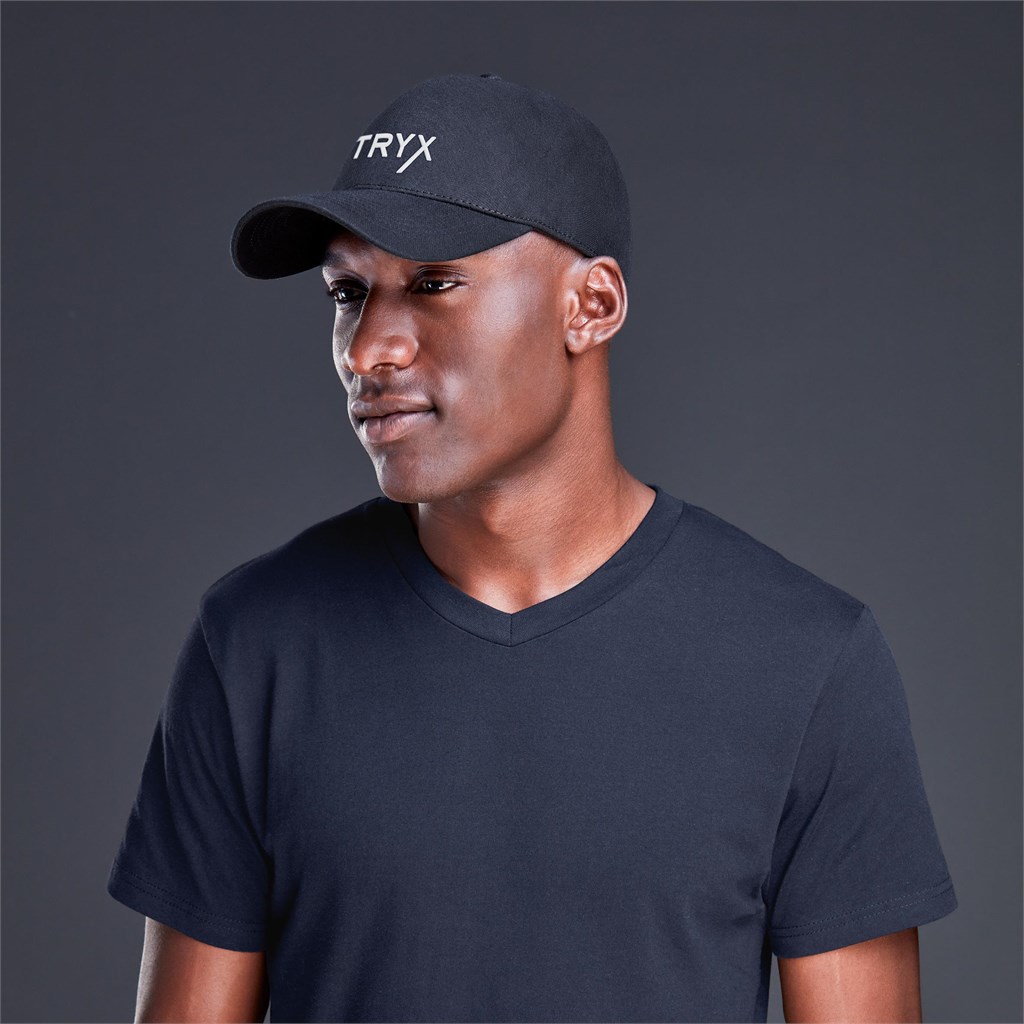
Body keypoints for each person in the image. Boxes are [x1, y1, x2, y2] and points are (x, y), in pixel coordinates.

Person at [106, 72, 958, 1023]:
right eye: (348, 292)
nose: (369, 349)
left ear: (590, 305)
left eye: (433, 283)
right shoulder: (254, 643)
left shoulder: (805, 661)